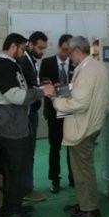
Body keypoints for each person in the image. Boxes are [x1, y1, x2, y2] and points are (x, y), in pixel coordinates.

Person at [0, 32, 55, 217]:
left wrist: (37, 90)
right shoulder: (3, 66)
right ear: (13, 47)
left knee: (18, 167)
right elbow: (15, 96)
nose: (24, 53)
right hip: (10, 127)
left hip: (14, 124)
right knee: (14, 168)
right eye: (23, 49)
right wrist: (41, 92)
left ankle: (14, 205)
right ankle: (11, 209)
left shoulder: (9, 65)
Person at [51, 36, 109, 217]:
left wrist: (56, 100)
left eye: (69, 53)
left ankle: (89, 208)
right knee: (80, 169)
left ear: (76, 51)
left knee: (83, 170)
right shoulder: (94, 67)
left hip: (84, 127)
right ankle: (83, 202)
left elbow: (80, 103)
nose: (69, 57)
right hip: (88, 124)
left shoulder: (88, 70)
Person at [39, 33, 75, 193]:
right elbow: (42, 83)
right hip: (54, 111)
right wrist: (53, 87)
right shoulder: (47, 63)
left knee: (72, 146)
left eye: (70, 50)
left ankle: (74, 177)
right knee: (54, 147)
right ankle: (55, 179)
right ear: (59, 46)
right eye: (65, 49)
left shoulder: (75, 64)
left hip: (72, 110)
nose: (68, 53)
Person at [18, 31, 49, 202]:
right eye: (39, 48)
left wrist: (41, 86)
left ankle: (25, 187)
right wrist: (43, 90)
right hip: (27, 113)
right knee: (27, 152)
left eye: (44, 48)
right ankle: (26, 189)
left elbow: (32, 85)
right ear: (29, 44)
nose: (42, 51)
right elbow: (27, 89)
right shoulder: (24, 61)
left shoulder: (30, 60)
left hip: (31, 112)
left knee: (28, 152)